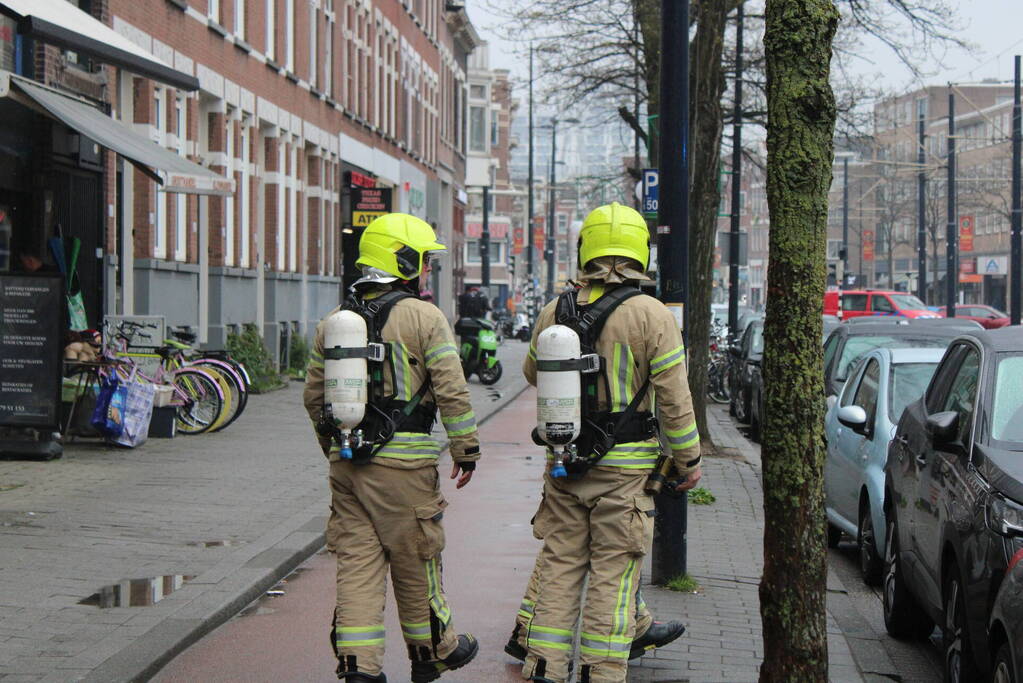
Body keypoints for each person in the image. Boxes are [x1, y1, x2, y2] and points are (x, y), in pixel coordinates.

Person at [514, 202, 702, 683]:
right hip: (627, 472)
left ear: (586, 249)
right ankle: (601, 672)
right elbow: (674, 397)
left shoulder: (556, 309)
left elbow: (533, 372)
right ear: (641, 253)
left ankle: (544, 668)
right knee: (613, 579)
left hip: (565, 462)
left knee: (559, 568)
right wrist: (689, 459)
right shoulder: (653, 315)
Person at [304, 212, 481, 683]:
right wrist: (466, 450)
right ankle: (435, 651)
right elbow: (452, 390)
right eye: (421, 259)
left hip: (349, 466)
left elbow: (313, 397)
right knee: (416, 558)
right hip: (406, 469)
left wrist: (335, 449)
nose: (425, 268)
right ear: (404, 261)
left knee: (357, 567)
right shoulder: (425, 317)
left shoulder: (334, 322)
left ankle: (359, 667)